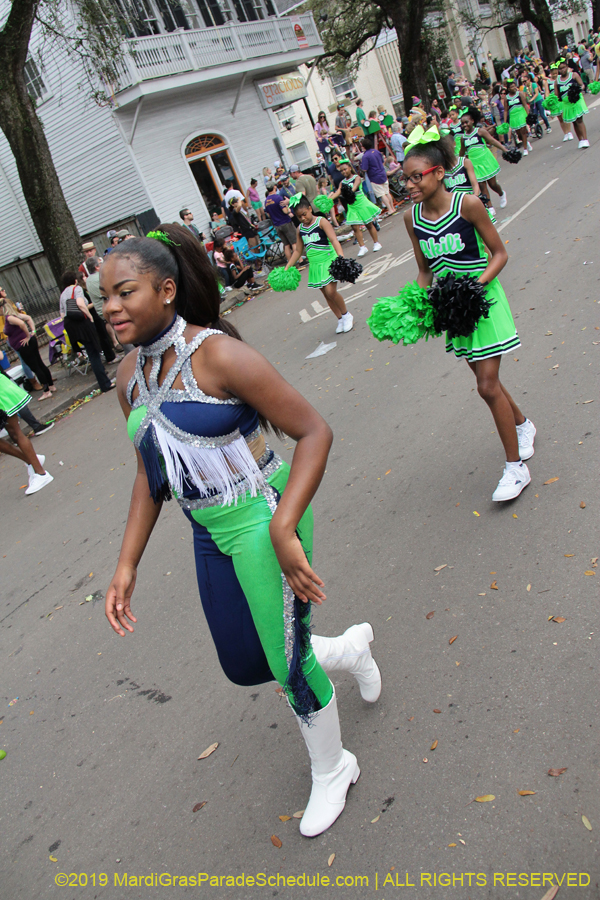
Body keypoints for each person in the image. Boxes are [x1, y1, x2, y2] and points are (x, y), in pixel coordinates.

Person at [102, 224, 381, 838]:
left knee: (283, 662)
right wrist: (127, 565)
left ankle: (334, 767)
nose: (111, 308)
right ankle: (347, 650)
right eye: (105, 297)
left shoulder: (218, 355)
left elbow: (314, 432)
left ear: (167, 290)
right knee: (245, 663)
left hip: (264, 517)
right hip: (208, 528)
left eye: (125, 293)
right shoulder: (127, 378)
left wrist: (284, 529)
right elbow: (152, 476)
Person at [401, 135, 535, 502]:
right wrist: (416, 303)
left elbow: (499, 254)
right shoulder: (411, 219)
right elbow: (425, 271)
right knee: (484, 378)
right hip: (452, 308)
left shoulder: (468, 205)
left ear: (439, 173)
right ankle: (522, 424)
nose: (409, 185)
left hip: (482, 300)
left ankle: (515, 468)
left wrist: (474, 287)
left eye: (416, 177)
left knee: (487, 386)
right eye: (406, 179)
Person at [286, 194, 353, 334]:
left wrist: (340, 257)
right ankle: (340, 318)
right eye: (299, 217)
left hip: (328, 260)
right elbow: (298, 250)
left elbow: (334, 240)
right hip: (316, 265)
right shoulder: (300, 229)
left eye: (304, 214)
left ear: (310, 209)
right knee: (326, 295)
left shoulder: (321, 222)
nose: (303, 218)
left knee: (331, 291)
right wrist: (287, 267)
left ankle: (347, 315)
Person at [0, 369, 54, 494]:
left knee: (16, 432)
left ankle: (41, 474)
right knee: (13, 433)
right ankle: (32, 460)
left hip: (1, 393)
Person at [59, 272, 114, 393]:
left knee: (90, 351)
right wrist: (90, 317)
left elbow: (62, 314)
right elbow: (80, 303)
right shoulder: (77, 289)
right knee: (94, 352)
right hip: (82, 324)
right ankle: (105, 383)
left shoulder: (62, 295)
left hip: (71, 326)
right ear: (75, 280)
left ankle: (103, 377)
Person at [1, 298, 55, 399]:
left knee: (35, 367)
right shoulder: (14, 315)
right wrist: (33, 332)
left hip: (24, 346)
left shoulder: (9, 318)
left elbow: (22, 324)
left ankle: (47, 391)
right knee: (40, 364)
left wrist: (27, 336)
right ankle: (51, 386)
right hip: (28, 343)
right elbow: (28, 318)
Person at [330, 157, 382, 258]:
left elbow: (355, 187)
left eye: (345, 169)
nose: (343, 172)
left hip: (361, 203)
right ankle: (362, 247)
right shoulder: (342, 182)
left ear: (350, 168)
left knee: (369, 224)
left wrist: (350, 192)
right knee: (354, 227)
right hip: (352, 205)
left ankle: (376, 243)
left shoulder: (356, 177)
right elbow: (338, 192)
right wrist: (329, 199)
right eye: (341, 171)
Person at [460, 107, 507, 209]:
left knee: (493, 184)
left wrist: (505, 149)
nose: (464, 125)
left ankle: (501, 193)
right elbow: (462, 152)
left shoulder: (480, 131)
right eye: (462, 123)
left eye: (466, 122)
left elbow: (493, 141)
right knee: (481, 185)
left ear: (472, 121)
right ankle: (490, 206)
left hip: (485, 160)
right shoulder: (463, 138)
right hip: (474, 164)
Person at [85, 257, 123, 355]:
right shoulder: (100, 277)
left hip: (100, 310)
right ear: (97, 267)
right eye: (100, 264)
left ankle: (119, 344)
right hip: (109, 307)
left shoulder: (88, 280)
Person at [554, 58, 589, 148]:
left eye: (564, 67)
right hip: (567, 104)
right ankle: (580, 140)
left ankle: (585, 139)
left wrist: (577, 90)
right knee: (574, 122)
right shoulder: (557, 81)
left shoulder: (574, 75)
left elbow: (582, 85)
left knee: (579, 120)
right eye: (560, 68)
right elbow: (557, 95)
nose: (562, 70)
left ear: (567, 67)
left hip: (576, 100)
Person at [359, 136, 395, 216]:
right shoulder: (376, 151)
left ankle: (389, 209)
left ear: (364, 146)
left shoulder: (365, 156)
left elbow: (364, 169)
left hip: (374, 177)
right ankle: (392, 207)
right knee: (387, 192)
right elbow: (382, 161)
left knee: (382, 194)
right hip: (382, 173)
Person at [264, 181, 296, 262]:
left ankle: (290, 263)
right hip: (285, 222)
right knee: (294, 242)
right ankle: (300, 260)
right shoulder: (278, 198)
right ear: (274, 187)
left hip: (277, 225)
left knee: (286, 245)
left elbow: (269, 215)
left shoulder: (266, 201)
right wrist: (288, 209)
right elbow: (285, 211)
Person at [503, 79, 531, 154]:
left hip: (521, 113)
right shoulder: (506, 98)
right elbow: (505, 110)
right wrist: (505, 121)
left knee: (523, 131)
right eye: (512, 87)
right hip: (513, 116)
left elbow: (525, 104)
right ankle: (526, 142)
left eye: (514, 86)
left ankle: (525, 149)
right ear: (508, 89)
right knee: (519, 134)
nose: (514, 88)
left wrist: (528, 115)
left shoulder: (520, 94)